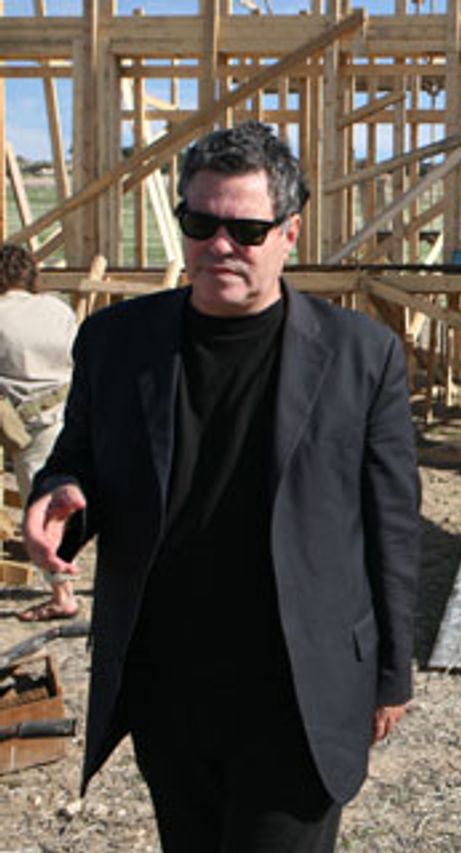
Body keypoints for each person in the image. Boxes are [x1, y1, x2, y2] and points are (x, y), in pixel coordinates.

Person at [23, 122, 420, 852]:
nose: (219, 245)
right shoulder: (117, 342)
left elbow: (391, 526)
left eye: (246, 229)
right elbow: (80, 463)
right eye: (200, 224)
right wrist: (59, 497)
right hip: (167, 684)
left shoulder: (362, 356)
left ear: (289, 232)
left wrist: (393, 672)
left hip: (297, 691)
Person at [0, 244, 78, 621]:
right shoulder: (57, 309)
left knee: (42, 509)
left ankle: (63, 594)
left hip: (23, 420)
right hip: (65, 413)